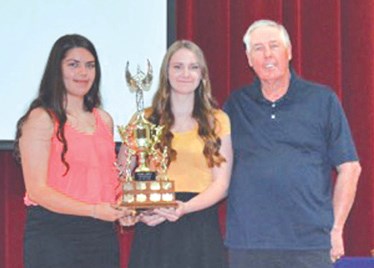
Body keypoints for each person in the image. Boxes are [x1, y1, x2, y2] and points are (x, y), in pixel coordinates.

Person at [223, 19, 361, 268]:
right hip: (248, 244)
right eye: (258, 48)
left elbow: (350, 168)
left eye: (274, 46)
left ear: (289, 52)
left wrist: (336, 229)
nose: (267, 55)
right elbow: (214, 166)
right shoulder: (236, 105)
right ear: (248, 58)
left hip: (308, 245)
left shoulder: (322, 100)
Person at [14, 34, 134, 268]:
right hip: (54, 234)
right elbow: (37, 190)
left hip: (101, 235)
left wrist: (123, 207)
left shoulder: (104, 120)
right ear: (56, 70)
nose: (83, 73)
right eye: (73, 64)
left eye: (90, 66)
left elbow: (107, 180)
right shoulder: (41, 119)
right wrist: (94, 210)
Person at [118, 40, 233, 268]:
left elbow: (222, 184)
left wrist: (183, 208)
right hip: (153, 226)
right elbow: (122, 175)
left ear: (202, 75)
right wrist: (135, 211)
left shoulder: (217, 120)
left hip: (198, 225)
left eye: (193, 67)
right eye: (177, 66)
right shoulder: (143, 120)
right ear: (166, 73)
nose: (185, 74)